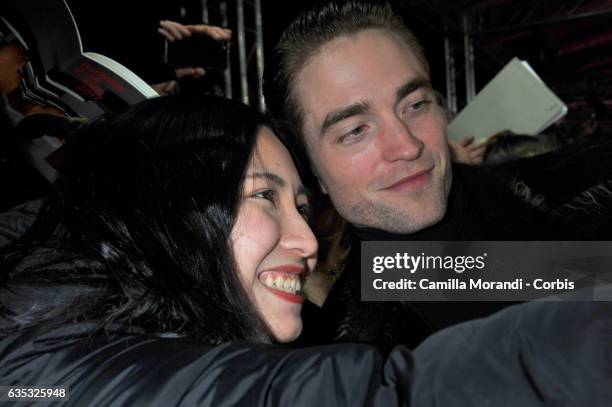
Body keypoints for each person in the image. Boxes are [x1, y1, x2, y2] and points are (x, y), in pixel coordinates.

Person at [0, 94, 414, 406]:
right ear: (171, 206)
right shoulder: (46, 358)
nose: (308, 242)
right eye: (353, 131)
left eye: (416, 106)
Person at [264, 0, 612, 348]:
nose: (407, 146)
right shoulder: (344, 366)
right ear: (310, 169)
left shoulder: (587, 187)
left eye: (414, 105)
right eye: (355, 130)